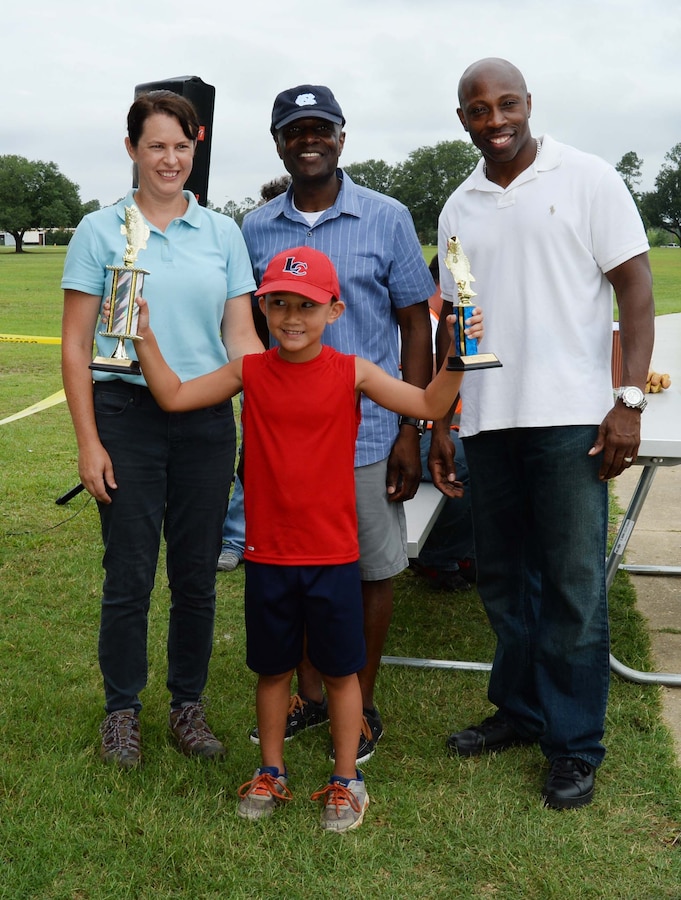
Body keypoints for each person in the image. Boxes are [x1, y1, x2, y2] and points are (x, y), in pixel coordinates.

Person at [131, 245, 480, 830]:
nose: (293, 318)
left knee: (342, 673)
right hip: (269, 555)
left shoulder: (354, 372)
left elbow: (426, 403)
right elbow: (174, 396)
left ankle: (346, 778)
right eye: (280, 305)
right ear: (262, 307)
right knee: (273, 671)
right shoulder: (249, 370)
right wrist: (142, 337)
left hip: (334, 555)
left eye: (307, 307)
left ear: (335, 311)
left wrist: (458, 354)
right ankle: (272, 770)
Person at [431, 58, 655, 809]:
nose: (493, 120)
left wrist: (626, 401)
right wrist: (441, 420)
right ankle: (520, 713)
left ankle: (572, 746)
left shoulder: (586, 177)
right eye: (476, 110)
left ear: (528, 103)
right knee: (502, 581)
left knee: (570, 588)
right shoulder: (458, 203)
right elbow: (452, 322)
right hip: (488, 419)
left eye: (505, 104)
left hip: (570, 421)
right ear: (461, 118)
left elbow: (635, 287)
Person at [61, 90, 264, 768]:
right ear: (131, 150)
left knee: (196, 574)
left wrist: (269, 391)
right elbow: (74, 345)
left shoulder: (222, 234)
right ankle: (122, 710)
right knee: (128, 572)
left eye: (180, 146)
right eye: (155, 146)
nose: (169, 159)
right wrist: (89, 441)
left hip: (206, 418)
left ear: (195, 145)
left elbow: (240, 335)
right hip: (125, 417)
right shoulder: (100, 231)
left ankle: (187, 705)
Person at [241, 84, 437, 763]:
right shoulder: (256, 226)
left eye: (320, 128)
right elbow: (252, 329)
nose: (308, 139)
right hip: (285, 445)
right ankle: (309, 696)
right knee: (294, 568)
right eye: (294, 131)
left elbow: (415, 320)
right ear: (279, 143)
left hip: (372, 431)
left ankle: (361, 698)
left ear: (341, 138)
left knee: (371, 570)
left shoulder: (385, 216)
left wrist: (409, 429)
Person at [218, 176, 291, 574]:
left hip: (312, 374)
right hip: (261, 368)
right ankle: (235, 536)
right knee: (255, 454)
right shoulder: (252, 235)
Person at [410, 255, 476, 592]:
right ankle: (436, 555)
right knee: (472, 460)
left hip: (446, 429)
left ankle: (469, 551)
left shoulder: (443, 320)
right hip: (413, 438)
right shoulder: (421, 322)